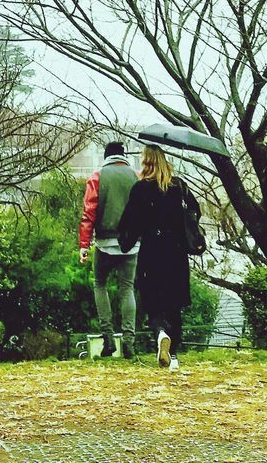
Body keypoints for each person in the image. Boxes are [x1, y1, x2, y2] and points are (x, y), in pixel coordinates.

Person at [117, 144, 200, 371]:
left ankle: (161, 333)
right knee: (174, 304)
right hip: (176, 253)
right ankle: (173, 357)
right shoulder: (179, 186)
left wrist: (125, 241)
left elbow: (129, 223)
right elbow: (195, 211)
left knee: (153, 302)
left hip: (152, 251)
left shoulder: (141, 189)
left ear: (146, 163)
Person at [78, 140, 139, 358]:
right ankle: (129, 343)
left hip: (104, 242)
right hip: (131, 244)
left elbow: (89, 212)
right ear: (123, 156)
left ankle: (108, 339)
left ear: (106, 157)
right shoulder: (136, 176)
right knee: (127, 289)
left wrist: (84, 246)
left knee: (100, 284)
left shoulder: (97, 177)